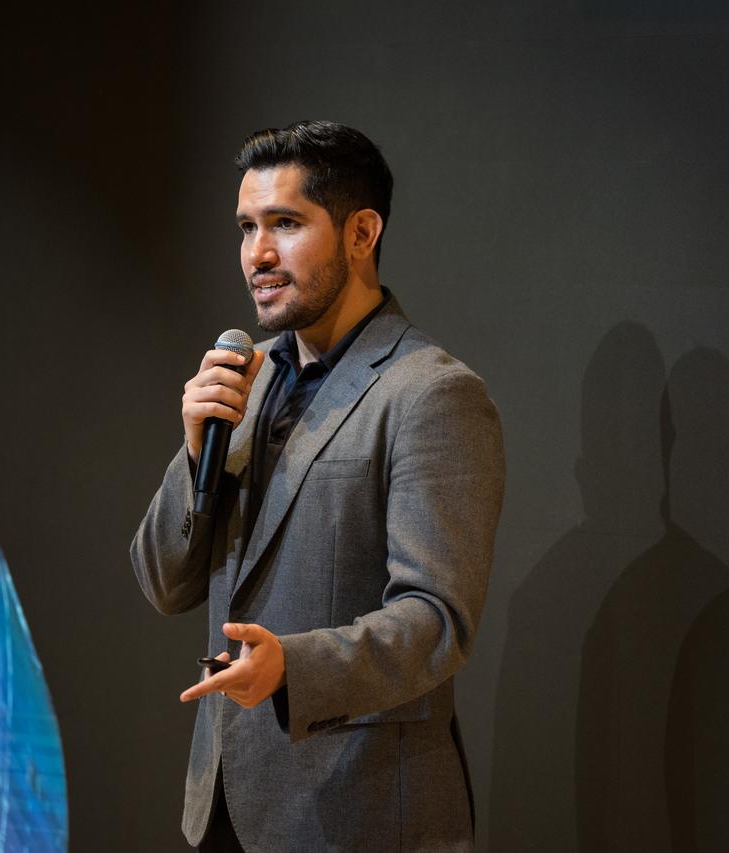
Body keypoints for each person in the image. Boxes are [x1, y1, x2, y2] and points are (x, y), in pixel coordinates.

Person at [130, 120, 505, 852]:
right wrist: (193, 445)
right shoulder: (244, 377)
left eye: (286, 224)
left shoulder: (430, 393)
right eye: (246, 227)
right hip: (226, 811)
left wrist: (292, 668)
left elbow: (435, 620)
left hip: (356, 818)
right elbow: (164, 584)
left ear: (361, 233)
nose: (257, 255)